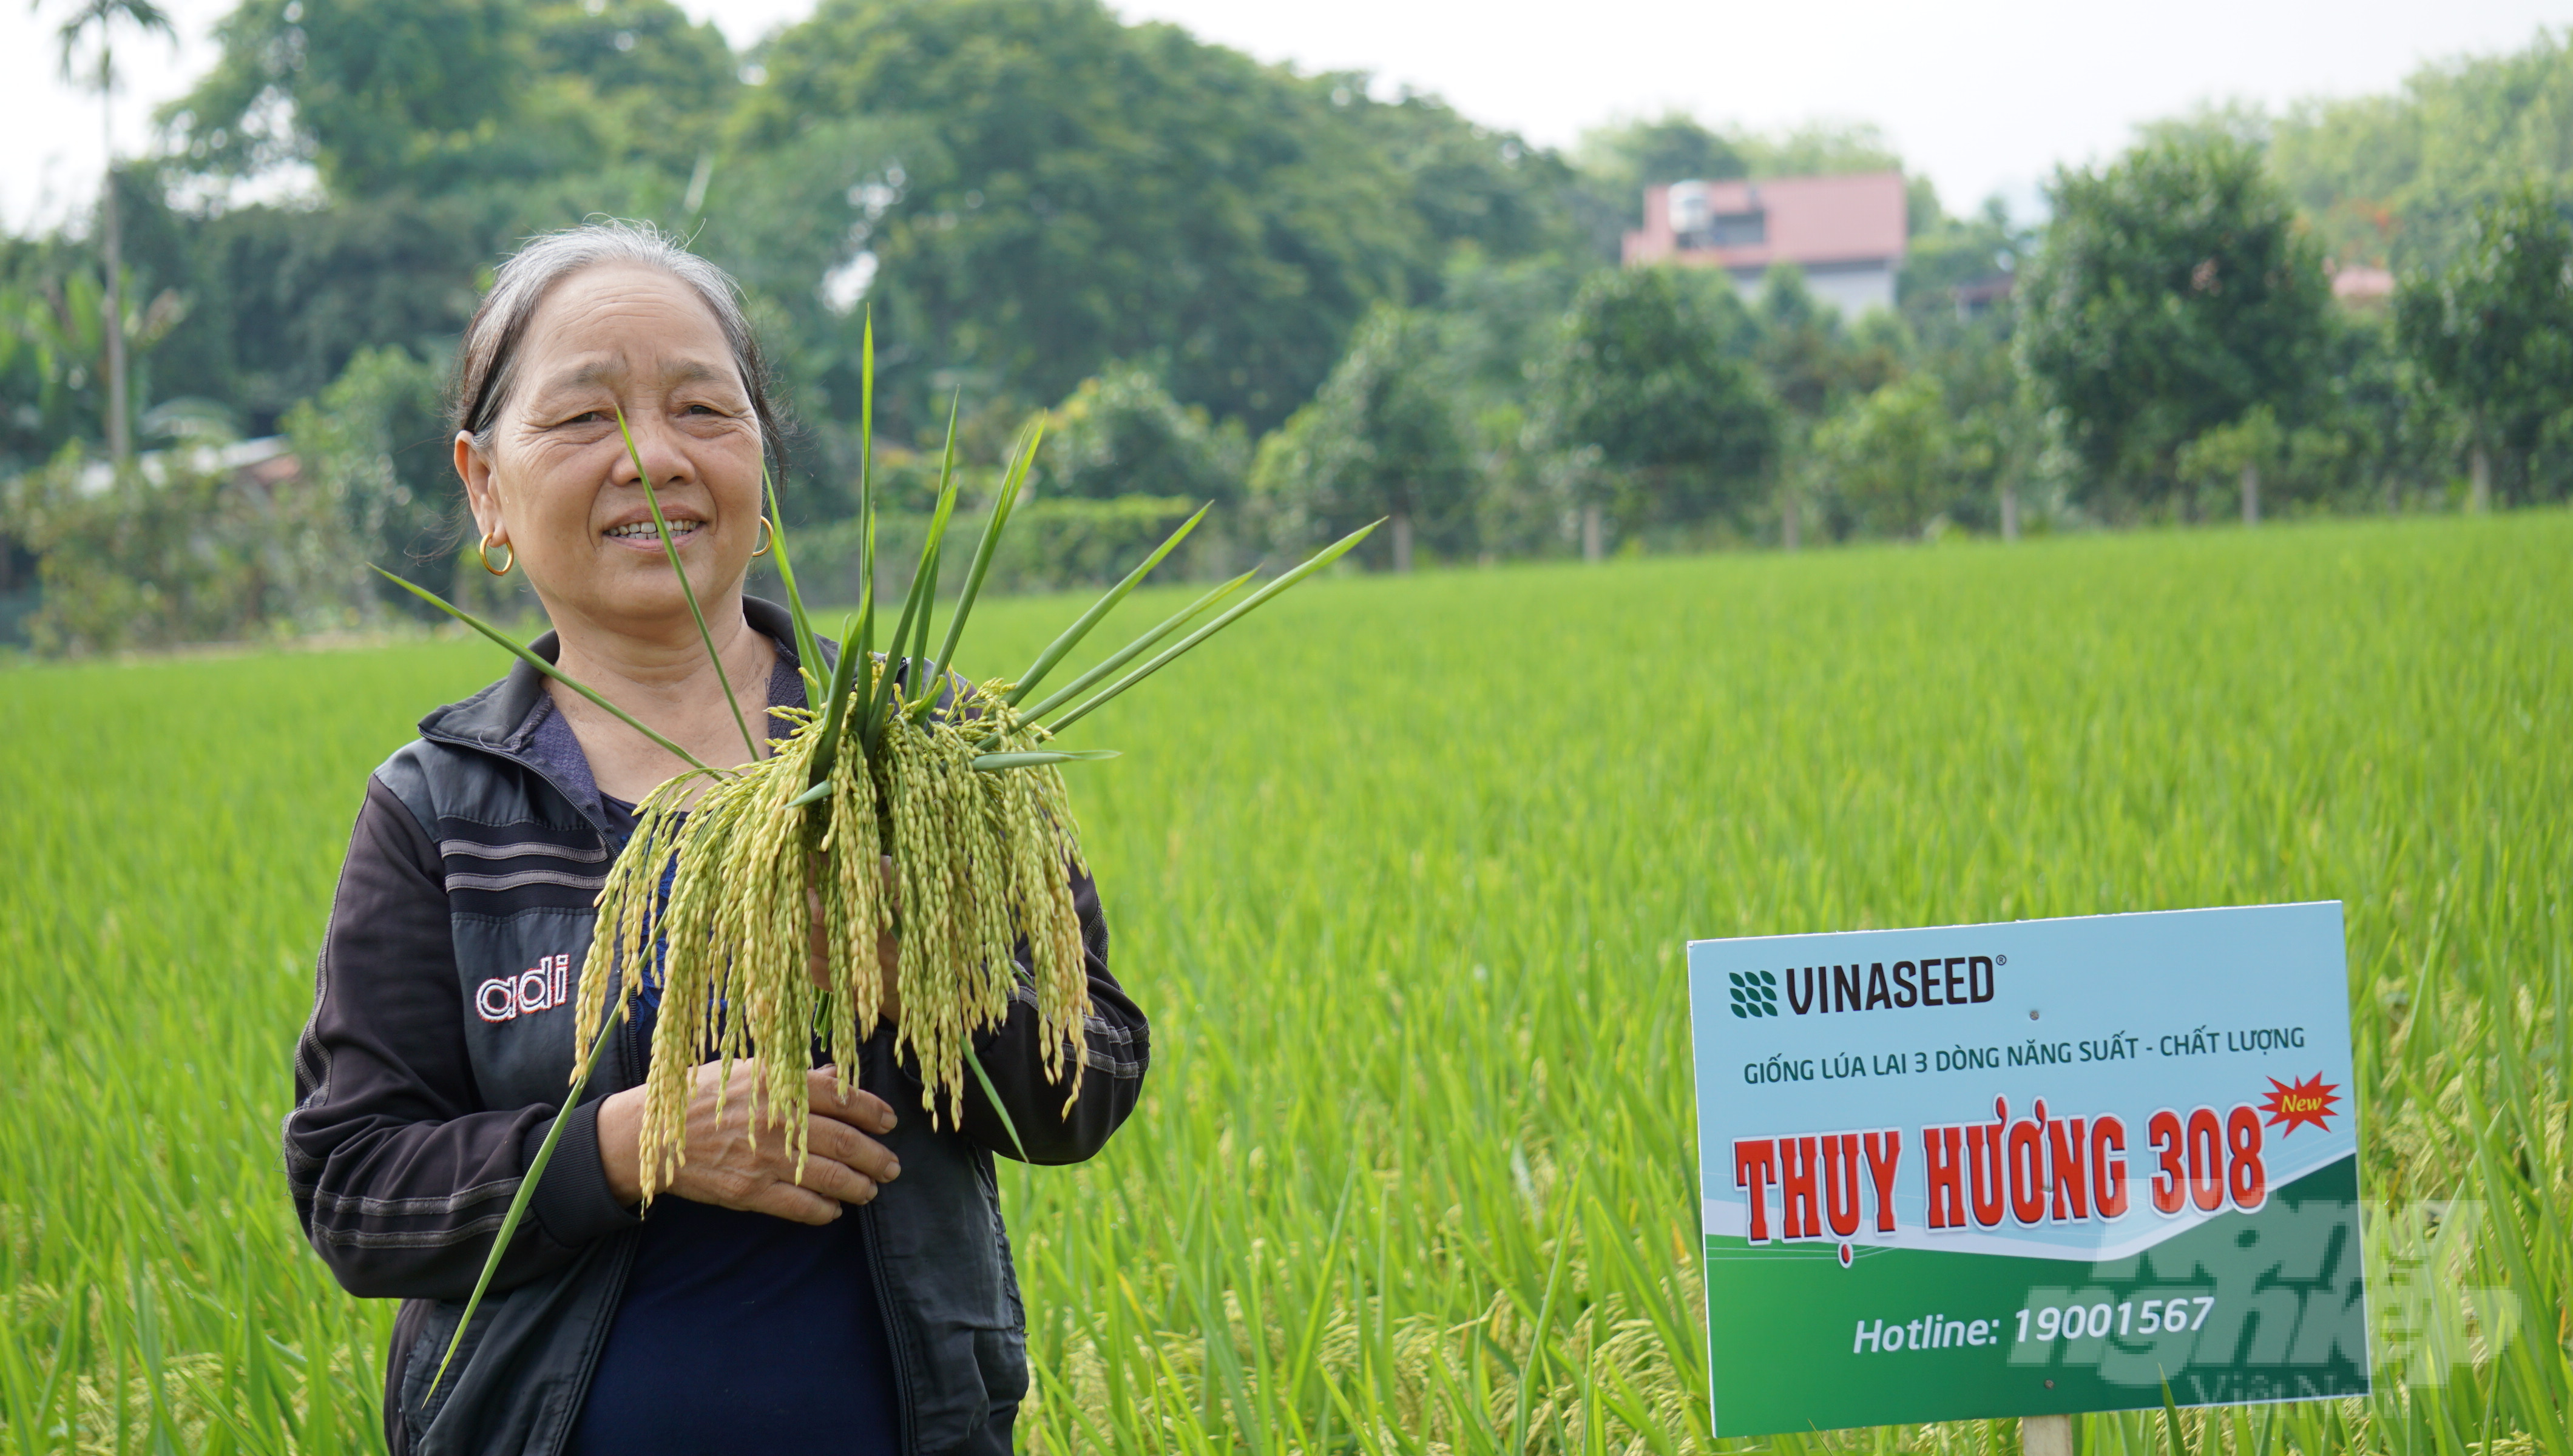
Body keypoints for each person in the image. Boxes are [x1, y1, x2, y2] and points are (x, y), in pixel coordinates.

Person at [283, 220, 1151, 1456]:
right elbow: (354, 1191)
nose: (652, 457)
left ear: (761, 458)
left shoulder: (920, 749)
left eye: (703, 408)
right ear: (485, 485)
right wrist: (632, 1143)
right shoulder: (443, 810)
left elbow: (1092, 1083)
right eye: (584, 420)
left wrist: (909, 969)